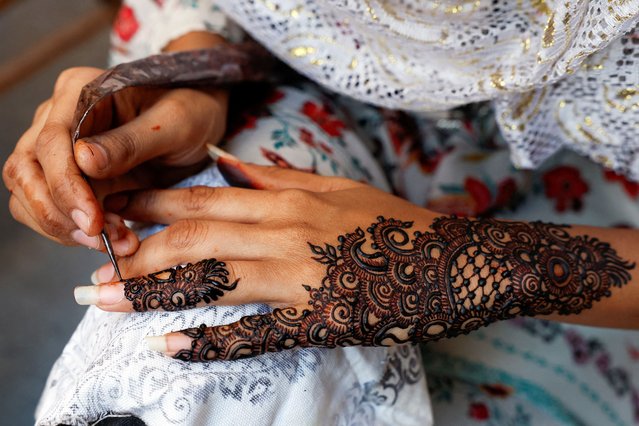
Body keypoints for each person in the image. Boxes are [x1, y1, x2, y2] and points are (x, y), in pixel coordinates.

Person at [3, 0, 638, 424]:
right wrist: (196, 71)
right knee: (200, 333)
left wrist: (475, 267)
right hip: (337, 117)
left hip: (608, 246)